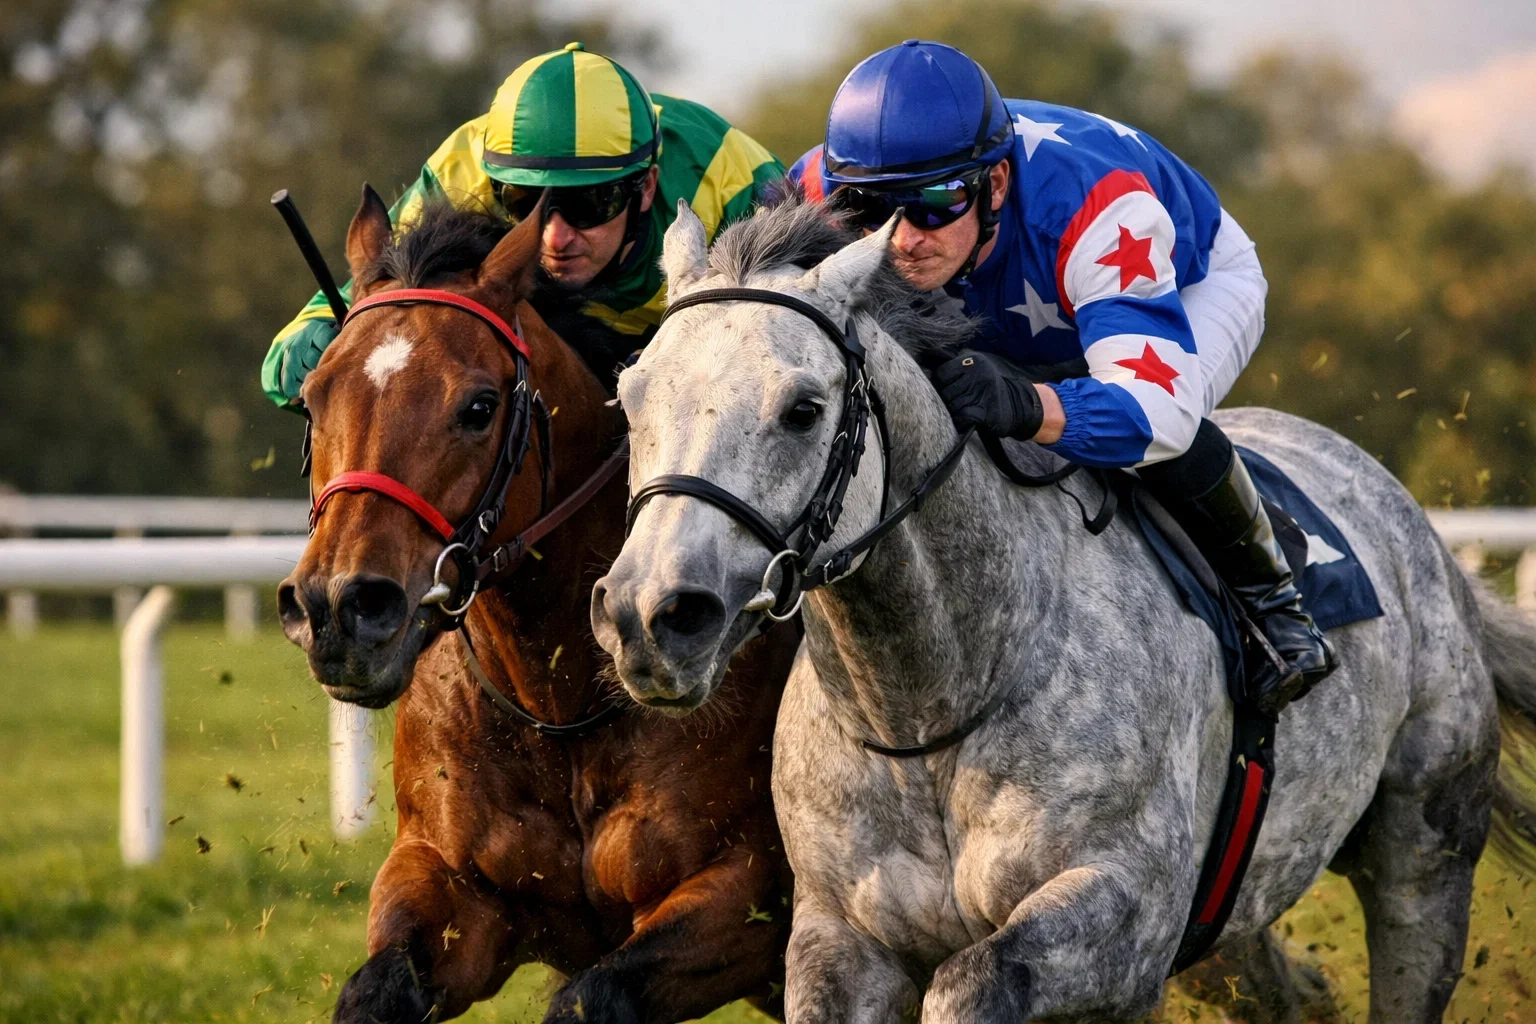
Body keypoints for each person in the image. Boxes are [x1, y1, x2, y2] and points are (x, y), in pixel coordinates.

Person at [791, 40, 1333, 714]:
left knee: (1167, 430)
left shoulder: (1100, 211)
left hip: (1185, 279)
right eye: (872, 209)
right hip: (1008, 286)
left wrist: (1026, 403)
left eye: (933, 204)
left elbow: (1152, 412)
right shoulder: (813, 192)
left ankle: (1275, 608)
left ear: (993, 184)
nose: (902, 237)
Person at [264, 42, 783, 406]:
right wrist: (308, 333)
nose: (554, 238)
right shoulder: (463, 169)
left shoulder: (733, 179)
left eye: (591, 204)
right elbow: (371, 294)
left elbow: (800, 357)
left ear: (646, 186)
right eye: (523, 201)